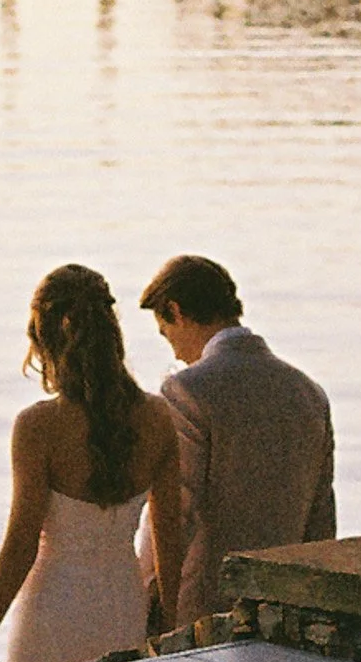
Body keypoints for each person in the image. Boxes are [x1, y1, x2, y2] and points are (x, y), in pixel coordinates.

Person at [0, 265, 185, 662]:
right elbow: (169, 542)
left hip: (51, 608)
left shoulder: (38, 426)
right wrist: (172, 631)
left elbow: (20, 543)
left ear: (43, 338)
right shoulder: (157, 418)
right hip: (122, 606)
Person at [138, 254, 335, 634]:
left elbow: (176, 513)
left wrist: (154, 599)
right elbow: (320, 517)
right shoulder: (308, 392)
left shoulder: (187, 390)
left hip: (203, 612)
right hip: (283, 610)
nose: (175, 352)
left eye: (167, 333)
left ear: (175, 310)